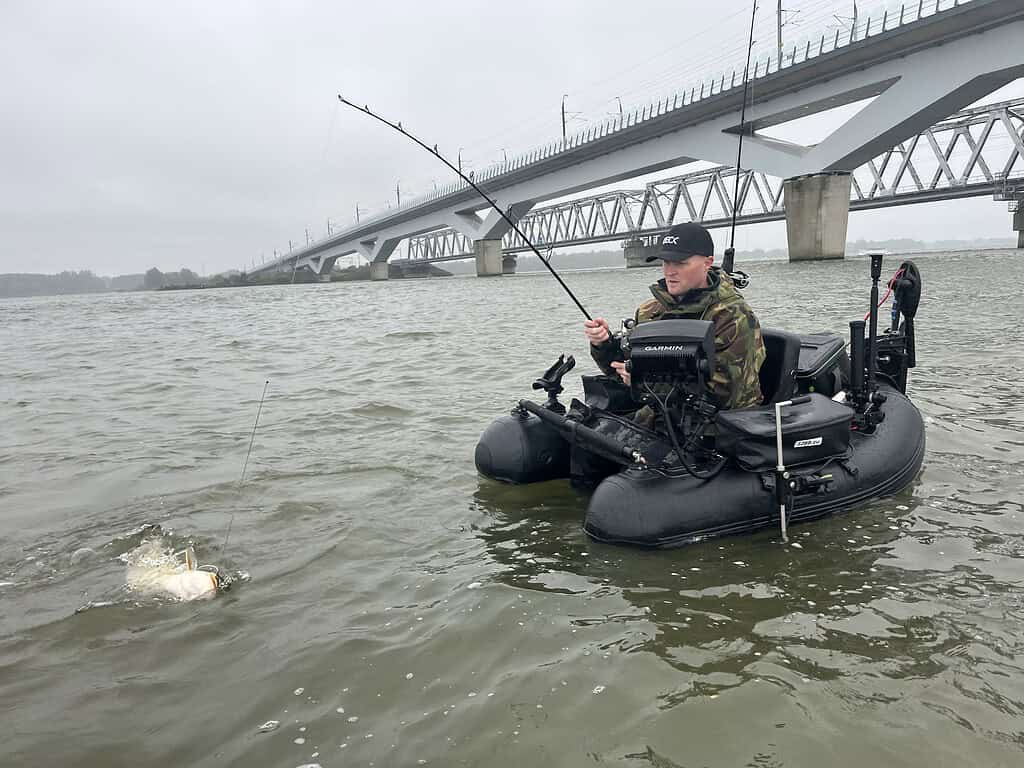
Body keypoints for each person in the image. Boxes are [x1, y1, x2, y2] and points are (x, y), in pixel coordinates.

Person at [585, 222, 766, 411]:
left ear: (707, 263)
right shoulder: (650, 311)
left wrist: (644, 382)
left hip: (720, 428)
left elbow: (729, 394)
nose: (670, 271)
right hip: (661, 418)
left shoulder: (734, 317)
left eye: (680, 263)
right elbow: (622, 372)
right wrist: (604, 345)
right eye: (666, 262)